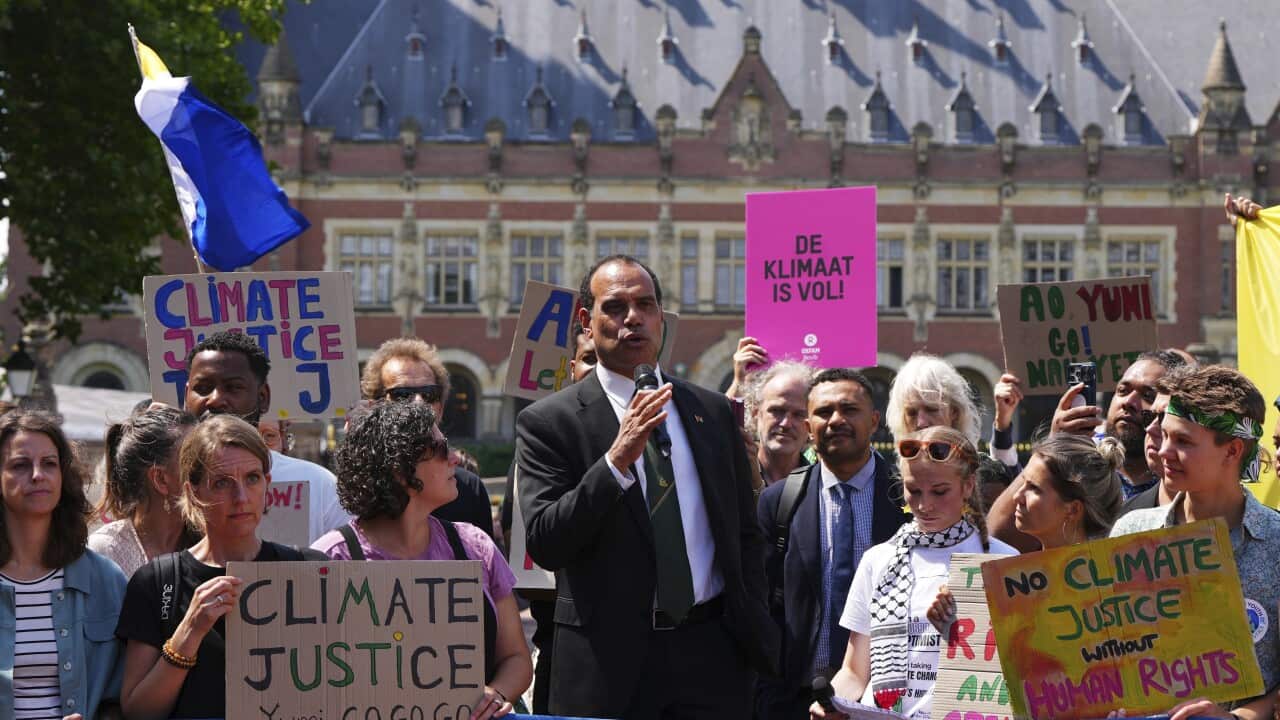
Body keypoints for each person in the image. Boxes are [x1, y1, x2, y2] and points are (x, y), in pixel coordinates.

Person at [516, 254, 776, 718]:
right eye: (615, 307)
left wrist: (748, 619)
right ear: (586, 321)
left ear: (660, 318)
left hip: (711, 655)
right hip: (609, 665)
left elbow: (744, 533)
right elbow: (547, 542)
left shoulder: (710, 411)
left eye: (645, 305)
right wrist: (615, 461)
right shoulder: (549, 423)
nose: (633, 318)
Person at [313, 401, 532, 720]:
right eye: (441, 449)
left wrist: (494, 695)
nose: (455, 458)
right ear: (399, 469)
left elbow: (516, 657)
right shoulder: (329, 559)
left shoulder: (475, 547)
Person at [116, 414, 326, 720]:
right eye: (221, 483)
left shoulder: (308, 571)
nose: (240, 497)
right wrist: (189, 632)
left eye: (252, 478)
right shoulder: (157, 582)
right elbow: (139, 711)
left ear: (267, 484)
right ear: (193, 493)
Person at [811, 426, 1017, 720]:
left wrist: (963, 630)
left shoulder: (1003, 561)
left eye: (940, 491)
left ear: (968, 485)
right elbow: (855, 672)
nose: (924, 505)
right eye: (913, 490)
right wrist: (832, 704)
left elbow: (1023, 670)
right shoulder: (878, 560)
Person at [1109, 365, 1280, 720]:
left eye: (1183, 442)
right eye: (1165, 436)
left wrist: (1234, 719)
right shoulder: (1132, 532)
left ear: (1232, 451)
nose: (1164, 451)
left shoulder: (1275, 544)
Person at [756, 368, 910, 720]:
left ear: (874, 421)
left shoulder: (908, 498)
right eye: (824, 412)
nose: (836, 420)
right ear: (808, 427)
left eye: (849, 409)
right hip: (795, 699)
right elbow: (762, 604)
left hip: (886, 700)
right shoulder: (779, 501)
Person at [988, 350, 1188, 551]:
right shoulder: (1081, 464)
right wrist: (1055, 445)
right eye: (1123, 390)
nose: (1129, 402)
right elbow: (998, 537)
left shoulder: (1182, 483)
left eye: (1148, 395)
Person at [0, 411, 128, 720]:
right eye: (20, 465)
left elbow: (125, 698)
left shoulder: (104, 579)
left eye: (49, 464)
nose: (37, 475)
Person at [499, 320, 595, 714]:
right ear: (572, 368)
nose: (599, 370)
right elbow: (522, 559)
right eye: (590, 359)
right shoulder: (536, 448)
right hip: (562, 644)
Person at [182, 331, 348, 544]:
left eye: (233, 388)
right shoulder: (163, 482)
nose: (215, 399)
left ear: (263, 398)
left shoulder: (319, 484)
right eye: (203, 388)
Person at [362, 337, 495, 538]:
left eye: (429, 394)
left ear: (440, 408)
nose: (418, 403)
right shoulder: (361, 488)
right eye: (402, 394)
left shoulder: (469, 490)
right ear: (375, 405)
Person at [89, 406, 201, 577]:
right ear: (160, 479)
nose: (211, 472)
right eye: (196, 462)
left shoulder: (212, 539)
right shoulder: (104, 553)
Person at [885, 353, 982, 446]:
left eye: (931, 409)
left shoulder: (973, 458)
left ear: (954, 412)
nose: (921, 423)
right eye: (911, 413)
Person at [745, 360, 815, 486]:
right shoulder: (730, 475)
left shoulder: (821, 486)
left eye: (798, 415)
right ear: (755, 414)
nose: (786, 424)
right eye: (777, 411)